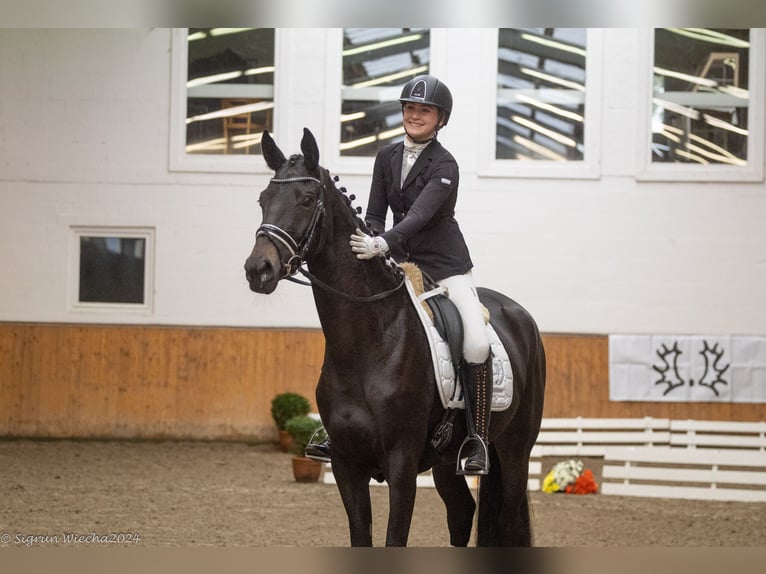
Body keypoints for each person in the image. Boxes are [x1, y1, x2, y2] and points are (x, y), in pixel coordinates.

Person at [305, 74, 493, 475]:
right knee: (357, 327)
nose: (415, 115)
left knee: (476, 342)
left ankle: (476, 440)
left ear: (440, 119)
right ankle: (335, 426)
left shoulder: (445, 165)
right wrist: (369, 238)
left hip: (445, 267)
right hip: (399, 265)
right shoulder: (386, 157)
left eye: (424, 110)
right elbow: (374, 212)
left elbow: (423, 215)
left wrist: (383, 243)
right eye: (410, 108)